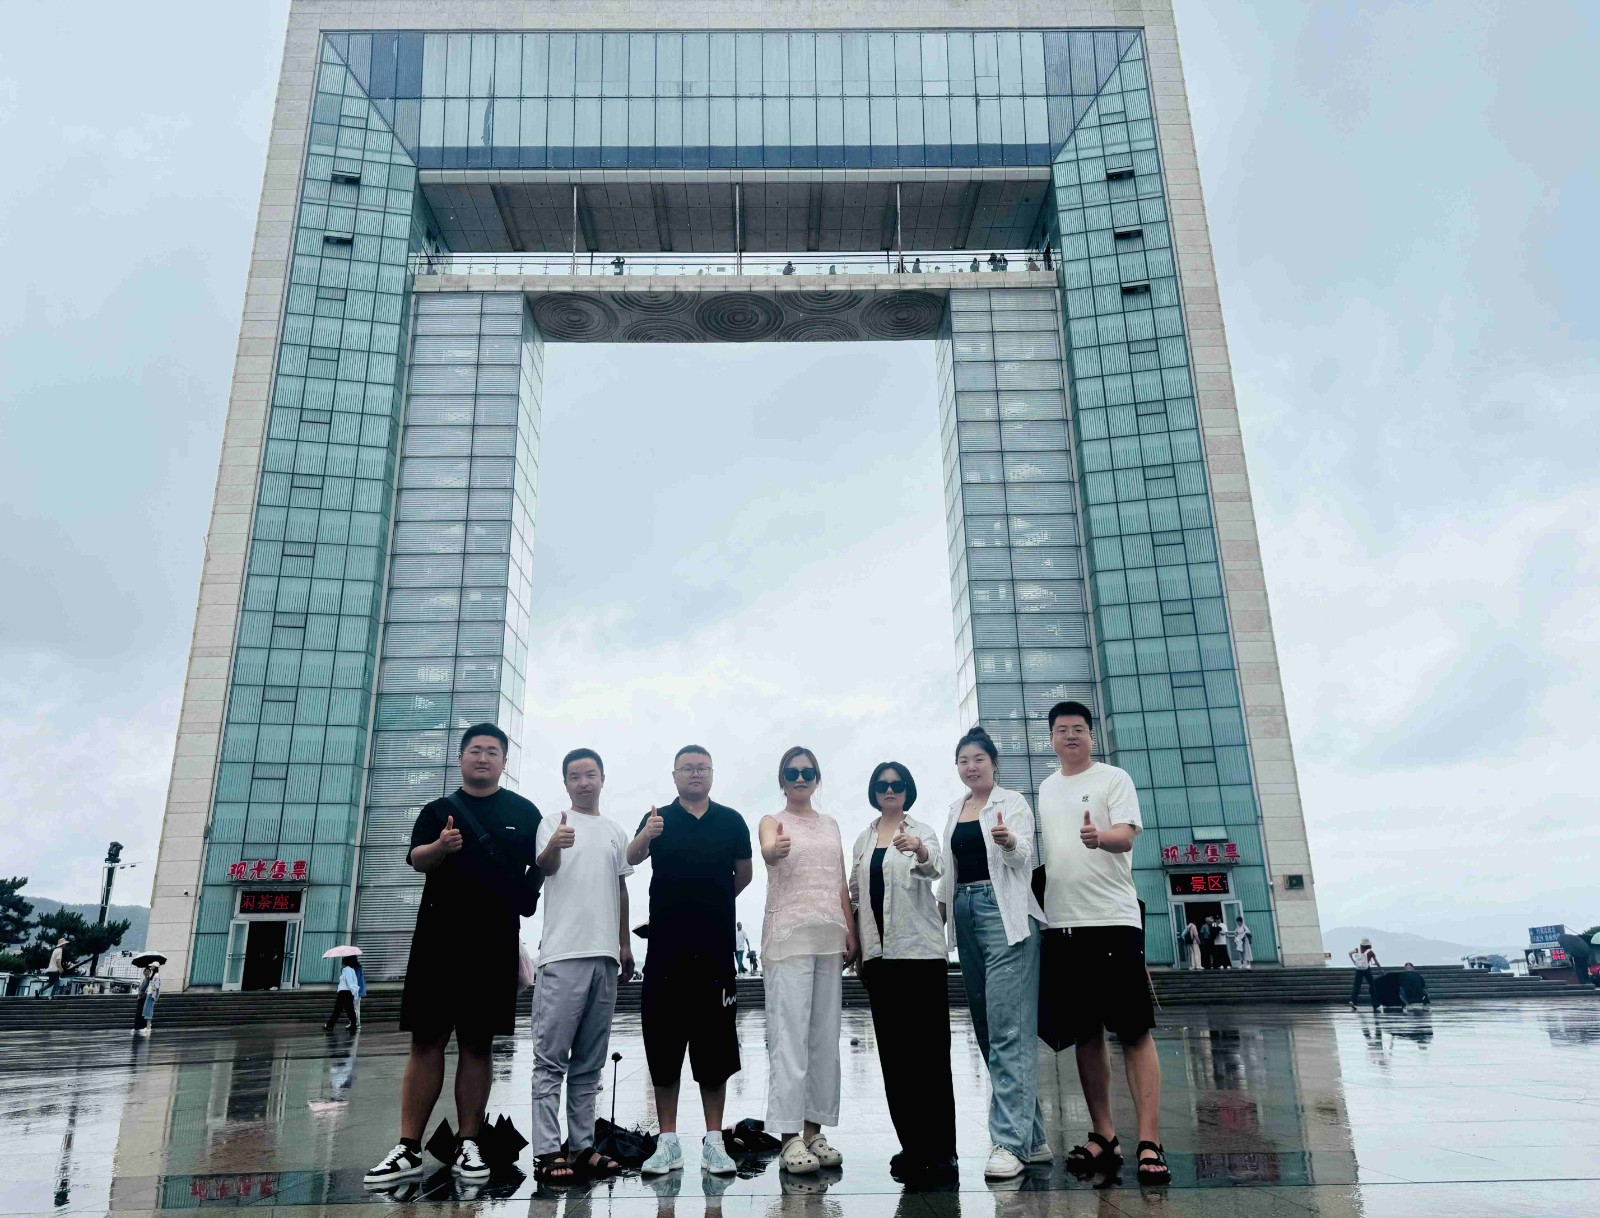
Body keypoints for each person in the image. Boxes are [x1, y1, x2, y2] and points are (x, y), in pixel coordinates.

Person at [365, 724, 543, 1189]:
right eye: (475, 750)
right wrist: (440, 847)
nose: (483, 758)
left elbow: (541, 865)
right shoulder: (437, 811)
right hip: (437, 942)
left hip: (493, 943)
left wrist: (531, 888)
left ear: (504, 762)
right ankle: (407, 1147)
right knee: (426, 1041)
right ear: (461, 758)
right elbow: (417, 859)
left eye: (492, 752)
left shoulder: (524, 813)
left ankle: (469, 1142)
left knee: (477, 1044)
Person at [1037, 701, 1169, 1186]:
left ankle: (1150, 1141)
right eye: (1061, 730)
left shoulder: (1114, 778)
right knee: (1086, 1033)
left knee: (1134, 1031)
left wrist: (1101, 838)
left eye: (1078, 728)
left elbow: (1127, 836)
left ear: (1091, 736)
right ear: (1051, 739)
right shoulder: (1046, 789)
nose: (1070, 735)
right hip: (1063, 925)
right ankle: (1104, 1134)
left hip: (1114, 921)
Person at [628, 745, 751, 1178]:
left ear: (712, 773)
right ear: (675, 775)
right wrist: (647, 834)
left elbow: (744, 874)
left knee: (714, 1046)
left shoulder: (731, 820)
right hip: (666, 950)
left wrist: (710, 902)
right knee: (664, 1046)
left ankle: (715, 1141)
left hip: (715, 951)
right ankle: (667, 1142)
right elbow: (632, 856)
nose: (695, 774)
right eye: (687, 768)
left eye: (702, 767)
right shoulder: (658, 817)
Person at [935, 725, 1048, 1181]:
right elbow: (949, 871)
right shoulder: (955, 809)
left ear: (993, 762)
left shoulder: (1012, 802)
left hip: (1005, 915)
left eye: (978, 759)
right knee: (987, 1028)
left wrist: (1008, 842)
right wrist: (940, 914)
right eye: (963, 760)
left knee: (1008, 1027)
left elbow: (1025, 856)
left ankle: (1008, 1142)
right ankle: (1032, 1137)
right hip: (965, 911)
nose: (971, 767)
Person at [528, 747, 634, 1183]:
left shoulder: (614, 831)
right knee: (550, 1060)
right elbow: (545, 866)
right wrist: (555, 844)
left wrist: (624, 944)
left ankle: (582, 1146)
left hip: (605, 956)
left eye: (591, 775)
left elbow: (621, 889)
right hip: (562, 955)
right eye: (575, 776)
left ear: (602, 779)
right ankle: (547, 1151)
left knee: (590, 1062)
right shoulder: (552, 823)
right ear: (566, 783)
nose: (584, 782)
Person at [849, 762, 956, 1182]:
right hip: (879, 958)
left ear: (908, 789)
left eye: (896, 784)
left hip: (920, 955)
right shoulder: (863, 839)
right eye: (882, 784)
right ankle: (913, 1145)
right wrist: (857, 946)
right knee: (895, 1059)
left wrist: (919, 849)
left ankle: (942, 1151)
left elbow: (937, 868)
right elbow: (855, 895)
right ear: (874, 791)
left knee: (930, 1056)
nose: (889, 790)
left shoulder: (921, 830)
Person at [758, 747, 854, 1175]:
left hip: (829, 938)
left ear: (817, 778)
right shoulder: (772, 820)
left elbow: (840, 883)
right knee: (789, 1038)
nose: (800, 778)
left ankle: (814, 1131)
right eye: (793, 772)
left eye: (808, 772)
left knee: (824, 1039)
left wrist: (851, 930)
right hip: (788, 939)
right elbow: (767, 849)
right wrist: (774, 848)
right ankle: (788, 1137)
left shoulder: (831, 824)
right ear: (782, 779)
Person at [325, 956, 361, 1031]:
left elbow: (350, 982)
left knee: (340, 1010)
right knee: (347, 1010)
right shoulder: (349, 970)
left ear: (344, 963)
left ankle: (330, 1025)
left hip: (344, 993)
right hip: (346, 993)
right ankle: (352, 1025)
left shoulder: (347, 970)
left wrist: (354, 992)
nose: (341, 964)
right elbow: (353, 982)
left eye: (342, 963)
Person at [1349, 938, 1380, 1010]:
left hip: (1358, 969)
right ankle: (1375, 1004)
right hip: (1366, 970)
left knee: (1356, 986)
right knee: (1372, 985)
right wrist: (1380, 969)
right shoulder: (1370, 952)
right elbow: (1376, 962)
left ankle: (1352, 1001)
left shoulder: (1357, 949)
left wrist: (1354, 961)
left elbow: (1349, 953)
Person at [132, 963, 160, 1034]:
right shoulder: (150, 976)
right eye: (145, 971)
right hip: (147, 994)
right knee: (145, 1011)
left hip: (149, 995)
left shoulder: (155, 975)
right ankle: (145, 1026)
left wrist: (151, 989)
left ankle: (147, 1027)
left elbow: (156, 986)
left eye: (152, 966)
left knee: (147, 1010)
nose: (151, 967)